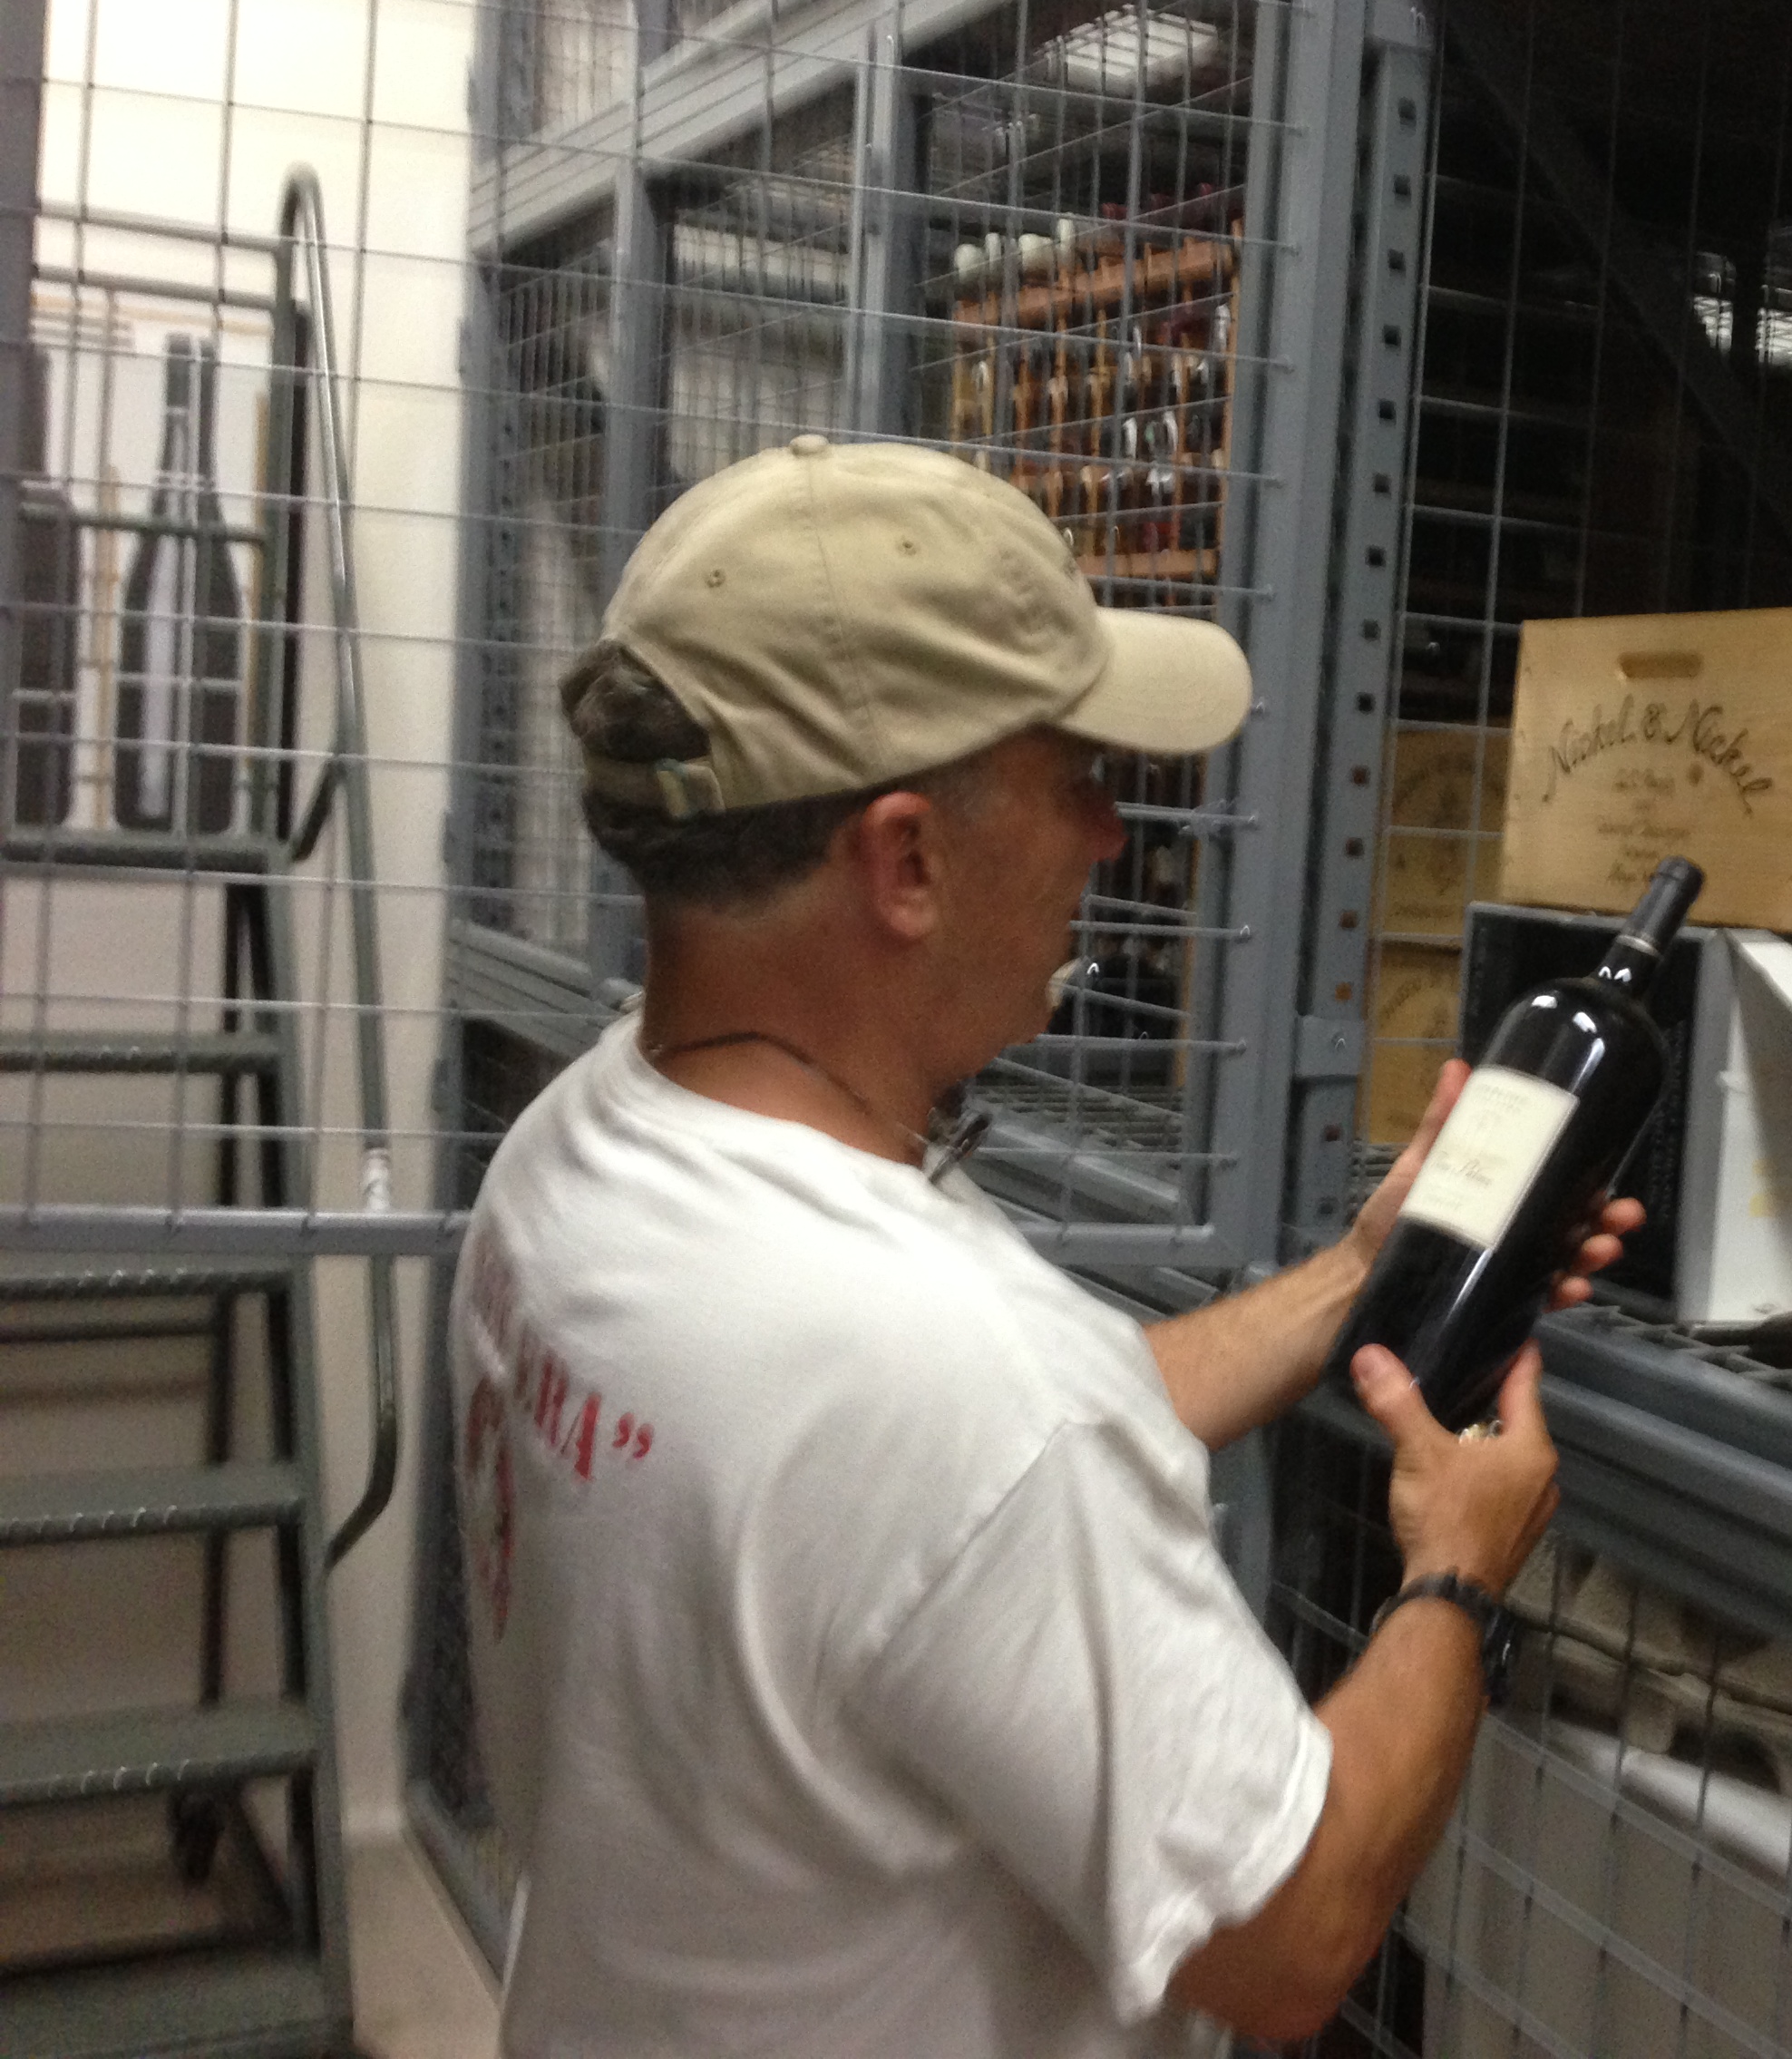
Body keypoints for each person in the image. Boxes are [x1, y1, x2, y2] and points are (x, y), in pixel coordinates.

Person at [447, 434, 1642, 2055]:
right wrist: (1458, 1571)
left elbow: (910, 1504)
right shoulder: (955, 1379)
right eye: (1074, 773)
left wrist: (1364, 1274)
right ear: (906, 859)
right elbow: (1297, 1932)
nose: (1108, 834)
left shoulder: (583, 1149)